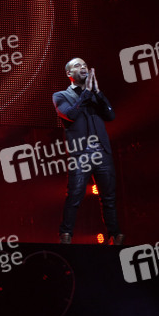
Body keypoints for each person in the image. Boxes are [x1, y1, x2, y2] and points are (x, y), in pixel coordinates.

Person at [53, 58, 124, 245]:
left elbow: (110, 115)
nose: (83, 67)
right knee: (75, 195)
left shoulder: (94, 96)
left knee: (108, 197)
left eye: (84, 65)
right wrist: (86, 93)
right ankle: (66, 235)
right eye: (77, 65)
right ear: (69, 74)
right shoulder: (60, 96)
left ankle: (115, 235)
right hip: (81, 155)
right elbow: (70, 114)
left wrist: (98, 92)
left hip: (102, 153)